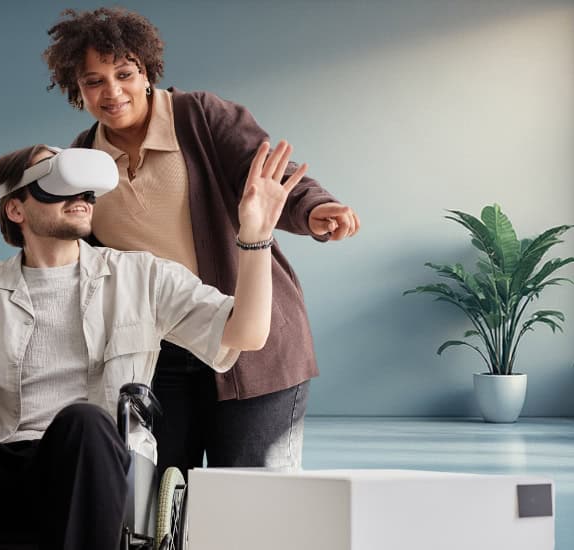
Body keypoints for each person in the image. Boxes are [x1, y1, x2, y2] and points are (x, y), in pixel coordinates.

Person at [0, 142, 306, 550]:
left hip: (84, 464)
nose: (80, 197)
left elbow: (247, 333)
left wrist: (255, 235)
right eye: (56, 186)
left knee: (85, 421)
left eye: (86, 190)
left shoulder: (142, 276)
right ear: (16, 209)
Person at [42, 7, 362, 474]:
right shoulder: (84, 161)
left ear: (147, 71)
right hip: (158, 353)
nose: (112, 92)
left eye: (124, 74)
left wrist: (313, 209)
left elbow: (268, 175)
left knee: (251, 495)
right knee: (158, 499)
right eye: (94, 82)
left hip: (251, 342)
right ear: (78, 91)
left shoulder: (201, 117)